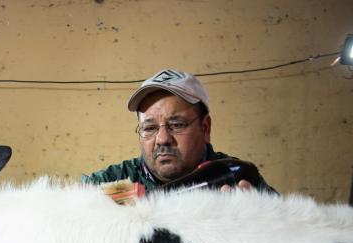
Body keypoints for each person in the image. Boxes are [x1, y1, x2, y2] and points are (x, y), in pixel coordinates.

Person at [83, 69, 276, 193]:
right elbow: (73, 201)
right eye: (149, 128)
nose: (162, 139)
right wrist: (124, 199)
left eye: (177, 125)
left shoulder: (237, 179)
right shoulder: (116, 179)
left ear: (205, 128)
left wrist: (257, 222)